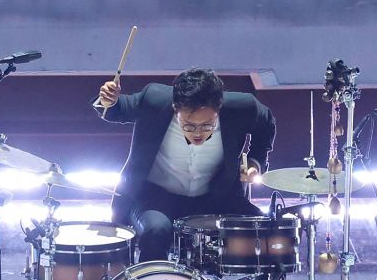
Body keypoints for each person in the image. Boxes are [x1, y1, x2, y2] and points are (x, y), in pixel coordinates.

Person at [95, 67, 275, 261]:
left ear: (219, 108)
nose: (198, 133)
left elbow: (267, 126)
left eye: (207, 125)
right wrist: (108, 100)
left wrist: (254, 163)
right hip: (155, 197)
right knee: (155, 232)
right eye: (188, 125)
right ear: (175, 108)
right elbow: (117, 108)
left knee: (268, 230)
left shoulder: (243, 107)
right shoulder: (154, 99)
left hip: (215, 197)